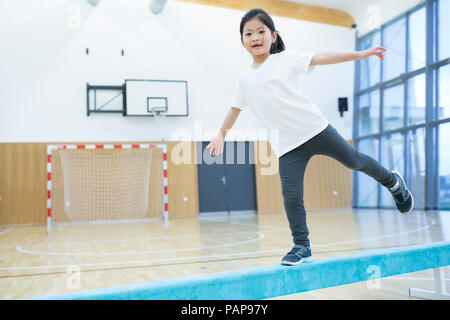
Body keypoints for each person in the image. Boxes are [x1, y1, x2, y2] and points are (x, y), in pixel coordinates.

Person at [206, 8, 414, 266]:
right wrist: (220, 136)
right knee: (291, 195)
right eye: (248, 33)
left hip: (314, 128)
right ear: (242, 40)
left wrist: (358, 54)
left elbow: (321, 57)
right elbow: (234, 109)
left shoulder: (285, 59)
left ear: (273, 36)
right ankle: (302, 245)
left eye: (261, 31)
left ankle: (393, 182)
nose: (255, 37)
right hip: (286, 145)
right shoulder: (244, 80)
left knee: (353, 160)